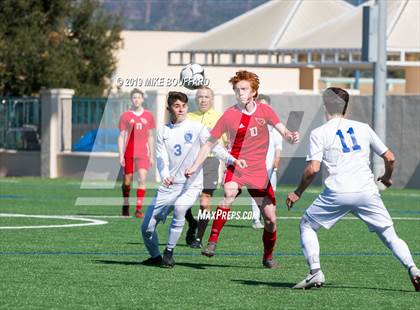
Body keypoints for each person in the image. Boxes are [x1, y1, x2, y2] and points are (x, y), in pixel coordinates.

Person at [286, 87, 420, 291]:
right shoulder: (363, 128)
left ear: (324, 106)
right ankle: (414, 269)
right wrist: (386, 177)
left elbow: (313, 169)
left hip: (337, 193)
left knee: (307, 225)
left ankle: (315, 272)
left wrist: (297, 192)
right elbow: (390, 157)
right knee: (390, 235)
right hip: (367, 192)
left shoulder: (319, 132)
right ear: (346, 108)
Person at [185, 70, 299, 268]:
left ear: (253, 92)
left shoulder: (265, 111)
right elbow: (209, 144)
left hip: (258, 172)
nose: (240, 93)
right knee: (228, 193)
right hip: (236, 167)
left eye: (244, 89)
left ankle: (268, 257)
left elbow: (284, 131)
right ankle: (212, 242)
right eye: (237, 89)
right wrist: (194, 166)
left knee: (271, 219)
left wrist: (291, 136)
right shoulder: (229, 115)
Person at [140, 91, 244, 268]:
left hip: (191, 185)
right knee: (146, 228)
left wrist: (233, 160)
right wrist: (165, 175)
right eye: (176, 106)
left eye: (184, 106)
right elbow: (160, 157)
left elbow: (215, 147)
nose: (181, 109)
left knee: (180, 209)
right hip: (169, 186)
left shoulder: (197, 128)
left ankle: (169, 253)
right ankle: (156, 256)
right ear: (169, 108)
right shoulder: (163, 131)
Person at [185, 86, 226, 248]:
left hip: (210, 163)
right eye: (200, 97)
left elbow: (227, 142)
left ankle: (198, 238)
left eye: (206, 97)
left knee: (204, 202)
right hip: (191, 164)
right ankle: (192, 223)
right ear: (196, 99)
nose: (203, 100)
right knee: (181, 203)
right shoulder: (188, 117)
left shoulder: (219, 118)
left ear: (212, 99)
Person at [118, 89, 155, 218]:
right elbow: (122, 136)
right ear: (131, 99)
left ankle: (138, 209)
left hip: (143, 153)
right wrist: (121, 154)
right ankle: (126, 203)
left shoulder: (149, 116)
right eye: (134, 97)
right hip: (129, 152)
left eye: (139, 97)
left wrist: (151, 154)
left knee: (142, 178)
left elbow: (150, 136)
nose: (137, 99)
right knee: (127, 181)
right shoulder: (125, 116)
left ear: (143, 99)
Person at [250, 94, 282, 229]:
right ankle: (255, 219)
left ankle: (269, 217)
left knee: (271, 192)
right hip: (256, 165)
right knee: (256, 192)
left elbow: (278, 145)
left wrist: (277, 159)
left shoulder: (274, 124)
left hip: (270, 166)